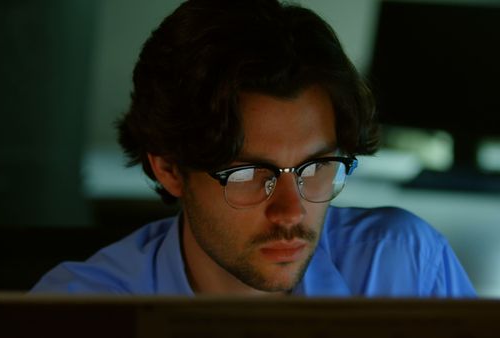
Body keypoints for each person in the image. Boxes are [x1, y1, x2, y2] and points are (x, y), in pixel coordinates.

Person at [32, 0, 475, 296]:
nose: (291, 211)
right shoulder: (79, 311)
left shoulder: (404, 267)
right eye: (247, 173)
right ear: (168, 168)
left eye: (315, 167)